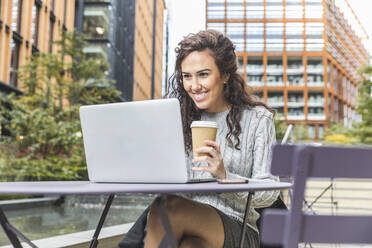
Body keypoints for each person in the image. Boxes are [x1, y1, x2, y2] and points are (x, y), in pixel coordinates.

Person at [119, 29, 279, 248]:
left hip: (238, 229)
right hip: (185, 226)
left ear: (225, 75)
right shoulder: (176, 119)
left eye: (203, 74)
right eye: (187, 76)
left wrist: (225, 176)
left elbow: (270, 193)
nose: (194, 86)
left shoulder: (258, 119)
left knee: (169, 206)